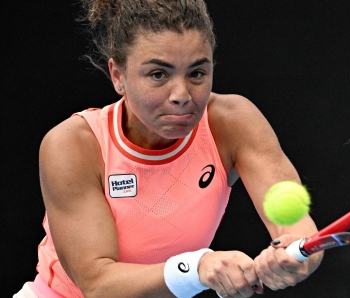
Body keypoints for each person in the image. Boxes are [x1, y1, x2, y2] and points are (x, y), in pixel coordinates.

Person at [14, 0, 323, 297]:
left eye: (197, 73)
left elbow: (295, 223)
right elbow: (98, 285)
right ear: (118, 76)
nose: (181, 94)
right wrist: (198, 267)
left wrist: (296, 256)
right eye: (158, 74)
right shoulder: (74, 144)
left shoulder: (233, 122)